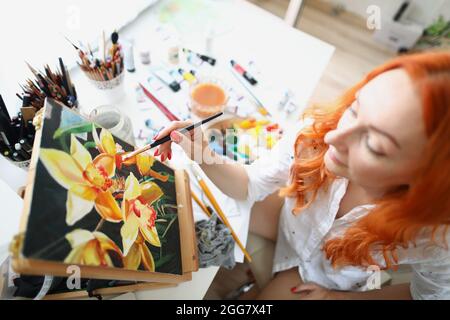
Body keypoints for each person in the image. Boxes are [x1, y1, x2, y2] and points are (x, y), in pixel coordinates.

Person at [153, 51, 450, 300]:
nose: (335, 136)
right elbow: (250, 183)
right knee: (188, 198)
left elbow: (425, 295)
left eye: (373, 144)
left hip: (319, 279)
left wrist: (337, 298)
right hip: (286, 219)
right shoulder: (317, 133)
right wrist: (203, 153)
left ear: (423, 181)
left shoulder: (435, 236)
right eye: (355, 109)